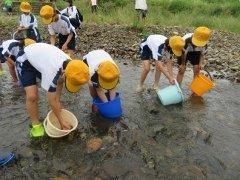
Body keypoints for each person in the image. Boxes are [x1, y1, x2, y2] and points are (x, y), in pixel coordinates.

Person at [16, 43, 90, 137]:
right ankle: (36, 125)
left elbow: (59, 83)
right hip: (25, 60)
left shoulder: (73, 65)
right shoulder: (52, 71)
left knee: (56, 91)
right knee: (32, 96)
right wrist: (61, 121)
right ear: (64, 73)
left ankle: (56, 110)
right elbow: (51, 98)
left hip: (42, 59)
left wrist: (57, 104)